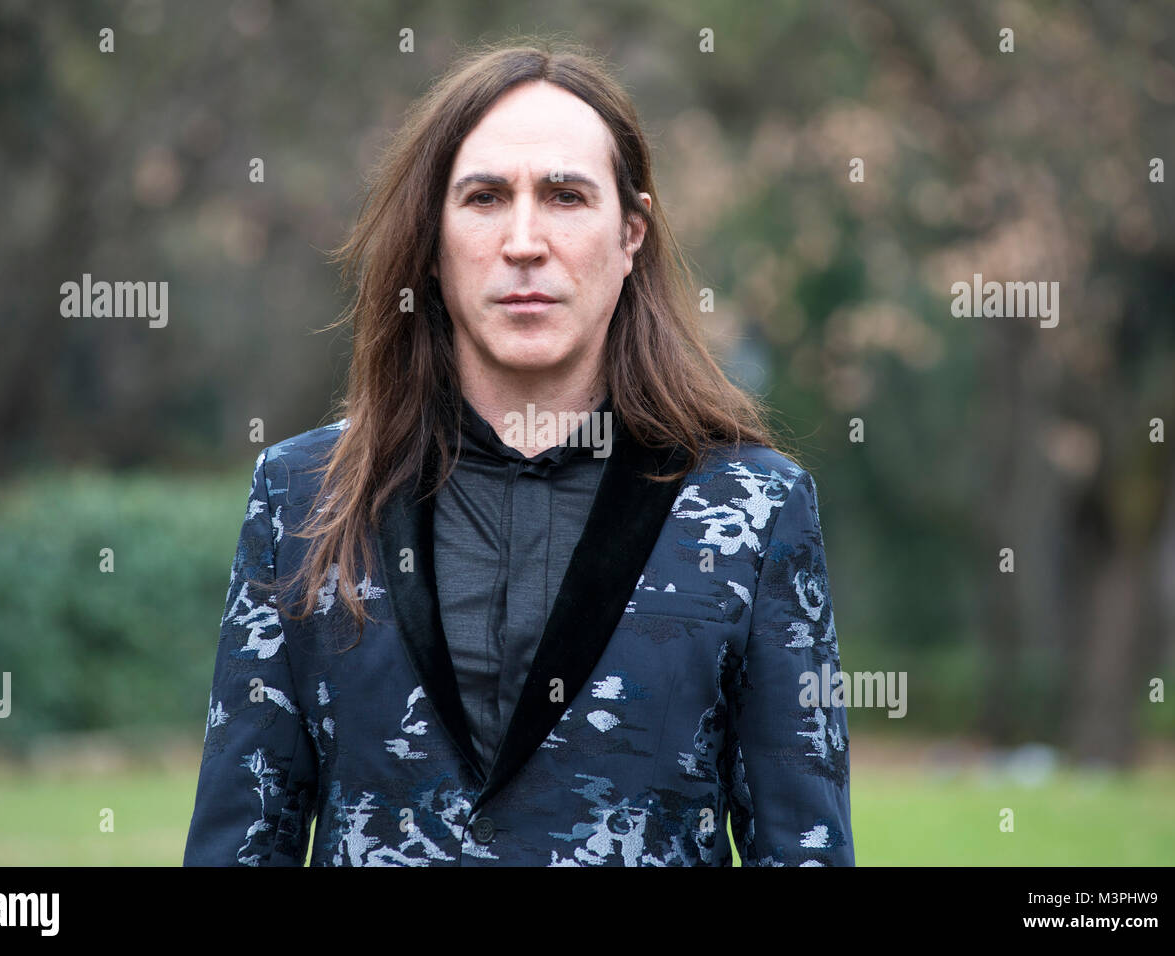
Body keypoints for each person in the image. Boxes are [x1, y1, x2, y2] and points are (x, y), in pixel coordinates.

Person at [183, 40, 854, 866]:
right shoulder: (301, 496)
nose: (525, 241)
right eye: (486, 197)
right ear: (432, 242)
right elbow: (238, 843)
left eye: (566, 196)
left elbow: (804, 847)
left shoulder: (755, 508)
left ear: (630, 233)